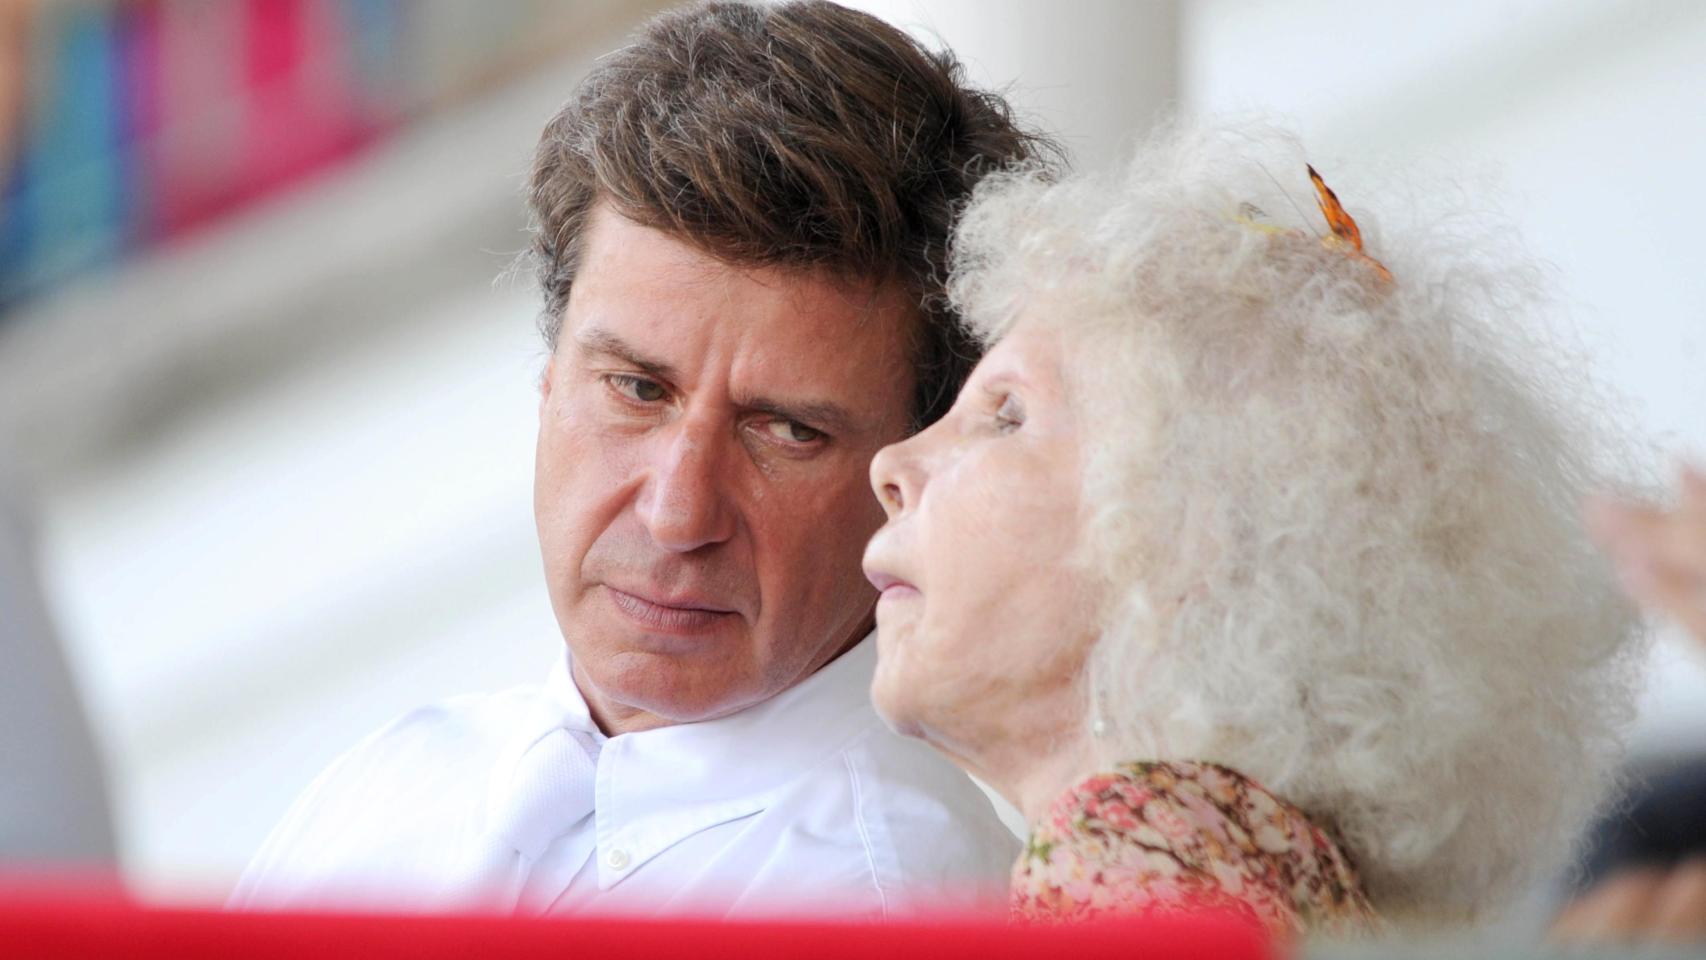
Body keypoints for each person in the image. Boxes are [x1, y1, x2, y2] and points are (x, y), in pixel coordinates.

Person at [232, 0, 1057, 918]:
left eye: (786, 431)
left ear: (914, 479)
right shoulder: (387, 789)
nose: (677, 512)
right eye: (636, 388)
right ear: (549, 380)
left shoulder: (884, 910)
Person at [861, 123, 1646, 937]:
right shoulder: (1248, 857)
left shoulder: (1135, 858)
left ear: (1189, 535)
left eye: (1006, 414)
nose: (892, 464)